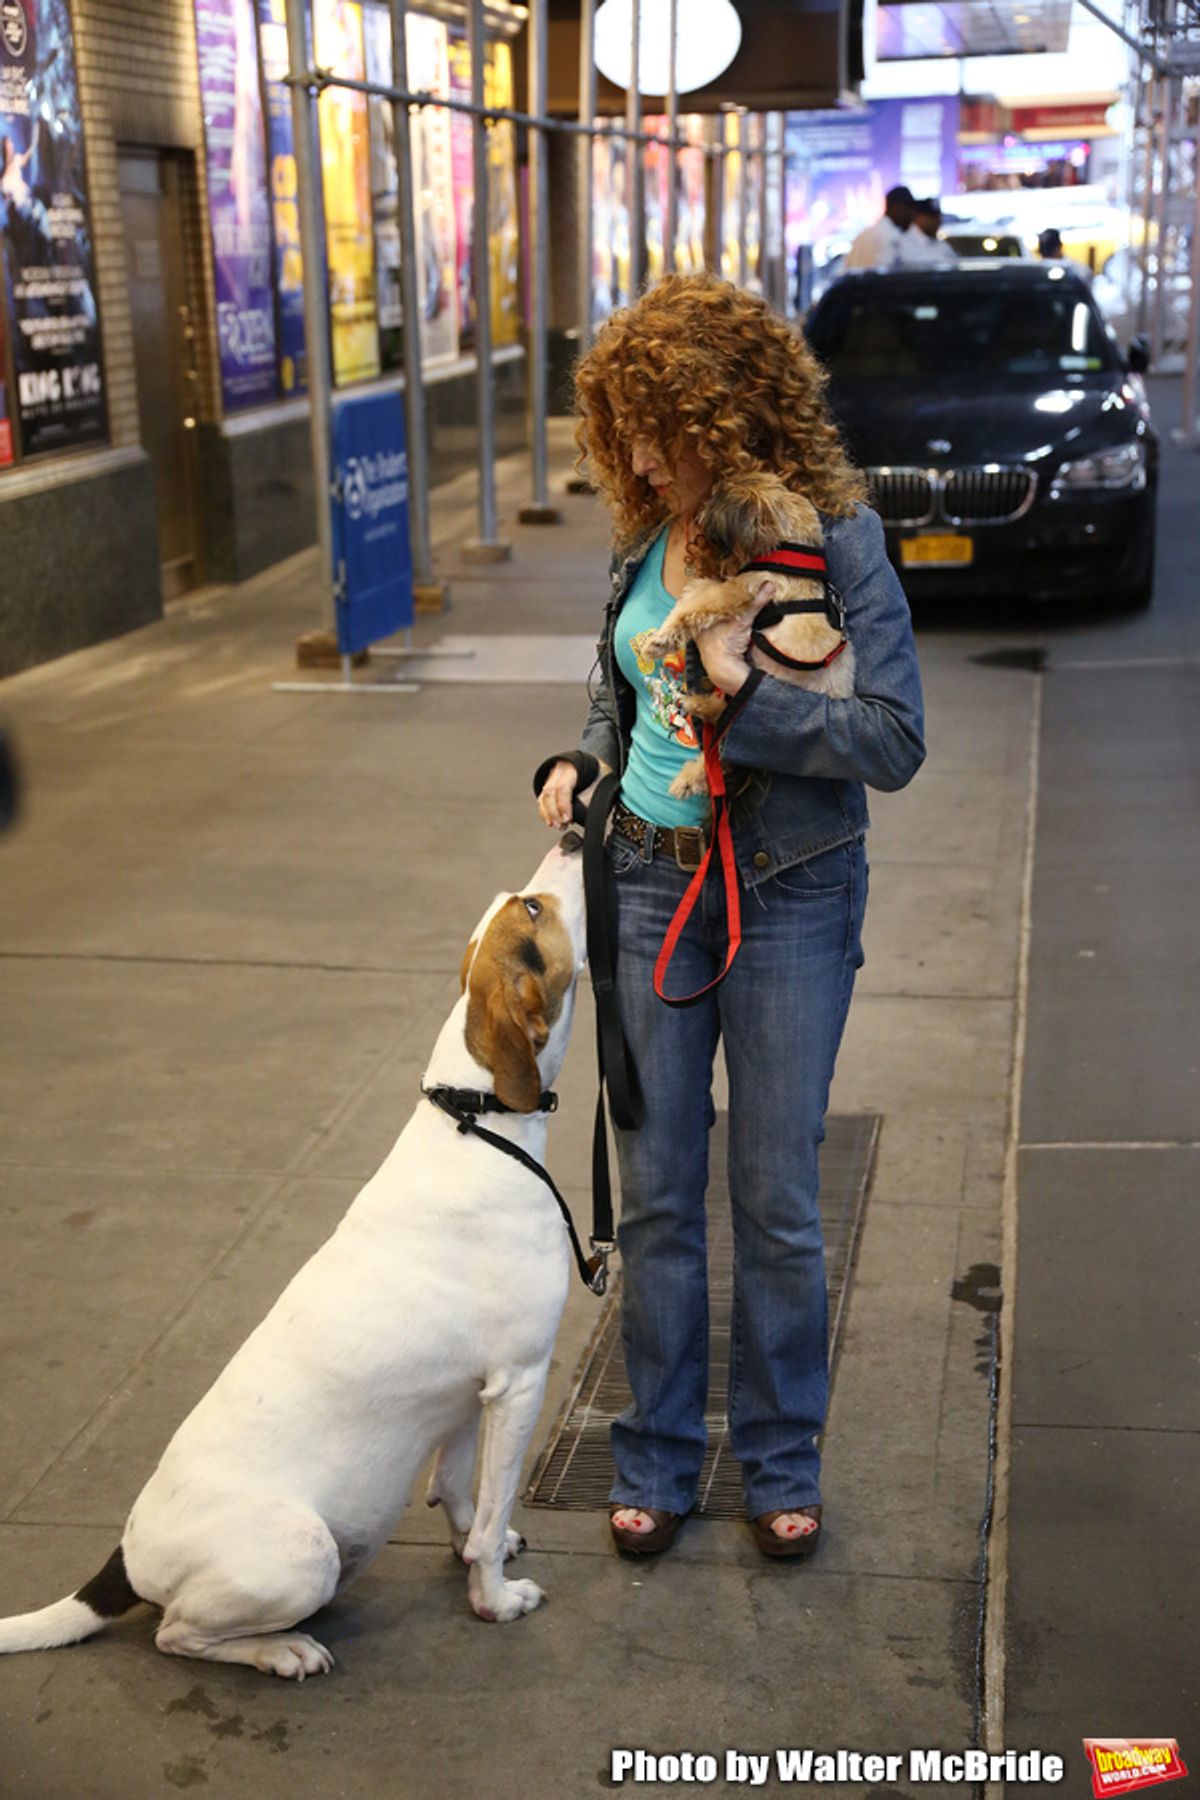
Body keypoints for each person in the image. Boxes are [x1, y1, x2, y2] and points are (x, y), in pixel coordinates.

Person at [535, 274, 925, 1560]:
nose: (637, 453)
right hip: (647, 878)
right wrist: (584, 758)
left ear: (730, 409)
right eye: (622, 428)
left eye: (659, 425)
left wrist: (742, 706)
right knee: (653, 1193)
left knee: (773, 1197)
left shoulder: (837, 538)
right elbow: (617, 678)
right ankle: (651, 1454)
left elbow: (893, 739)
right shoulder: (646, 536)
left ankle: (776, 1459)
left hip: (791, 890)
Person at [842, 185, 916, 269]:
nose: (912, 214)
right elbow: (888, 276)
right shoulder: (887, 236)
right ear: (897, 207)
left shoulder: (868, 233)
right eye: (909, 209)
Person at [898, 197, 957, 267]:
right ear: (918, 217)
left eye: (938, 216)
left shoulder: (941, 244)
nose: (938, 221)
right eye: (932, 217)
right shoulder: (902, 244)